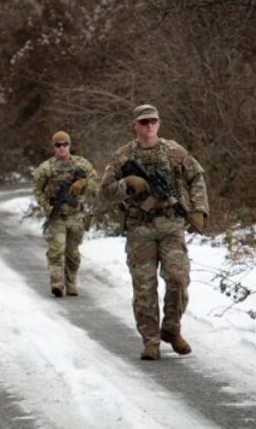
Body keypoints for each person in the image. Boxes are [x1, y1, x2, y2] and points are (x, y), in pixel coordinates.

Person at [99, 104, 209, 360]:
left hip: (171, 224)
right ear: (135, 125)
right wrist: (127, 185)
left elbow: (197, 177)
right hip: (140, 228)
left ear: (159, 123)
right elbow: (103, 192)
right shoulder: (124, 156)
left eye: (153, 121)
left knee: (178, 278)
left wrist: (199, 209)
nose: (149, 126)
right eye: (144, 122)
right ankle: (151, 340)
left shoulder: (173, 151)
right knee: (144, 286)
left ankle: (171, 329)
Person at [32, 131, 98, 297]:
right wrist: (46, 206)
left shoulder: (81, 165)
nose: (62, 148)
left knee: (73, 253)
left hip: (75, 215)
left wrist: (82, 183)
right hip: (57, 215)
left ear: (69, 145)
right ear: (53, 147)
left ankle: (71, 282)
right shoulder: (46, 168)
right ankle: (57, 282)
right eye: (58, 145)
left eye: (65, 144)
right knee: (56, 250)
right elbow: (37, 189)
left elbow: (95, 183)